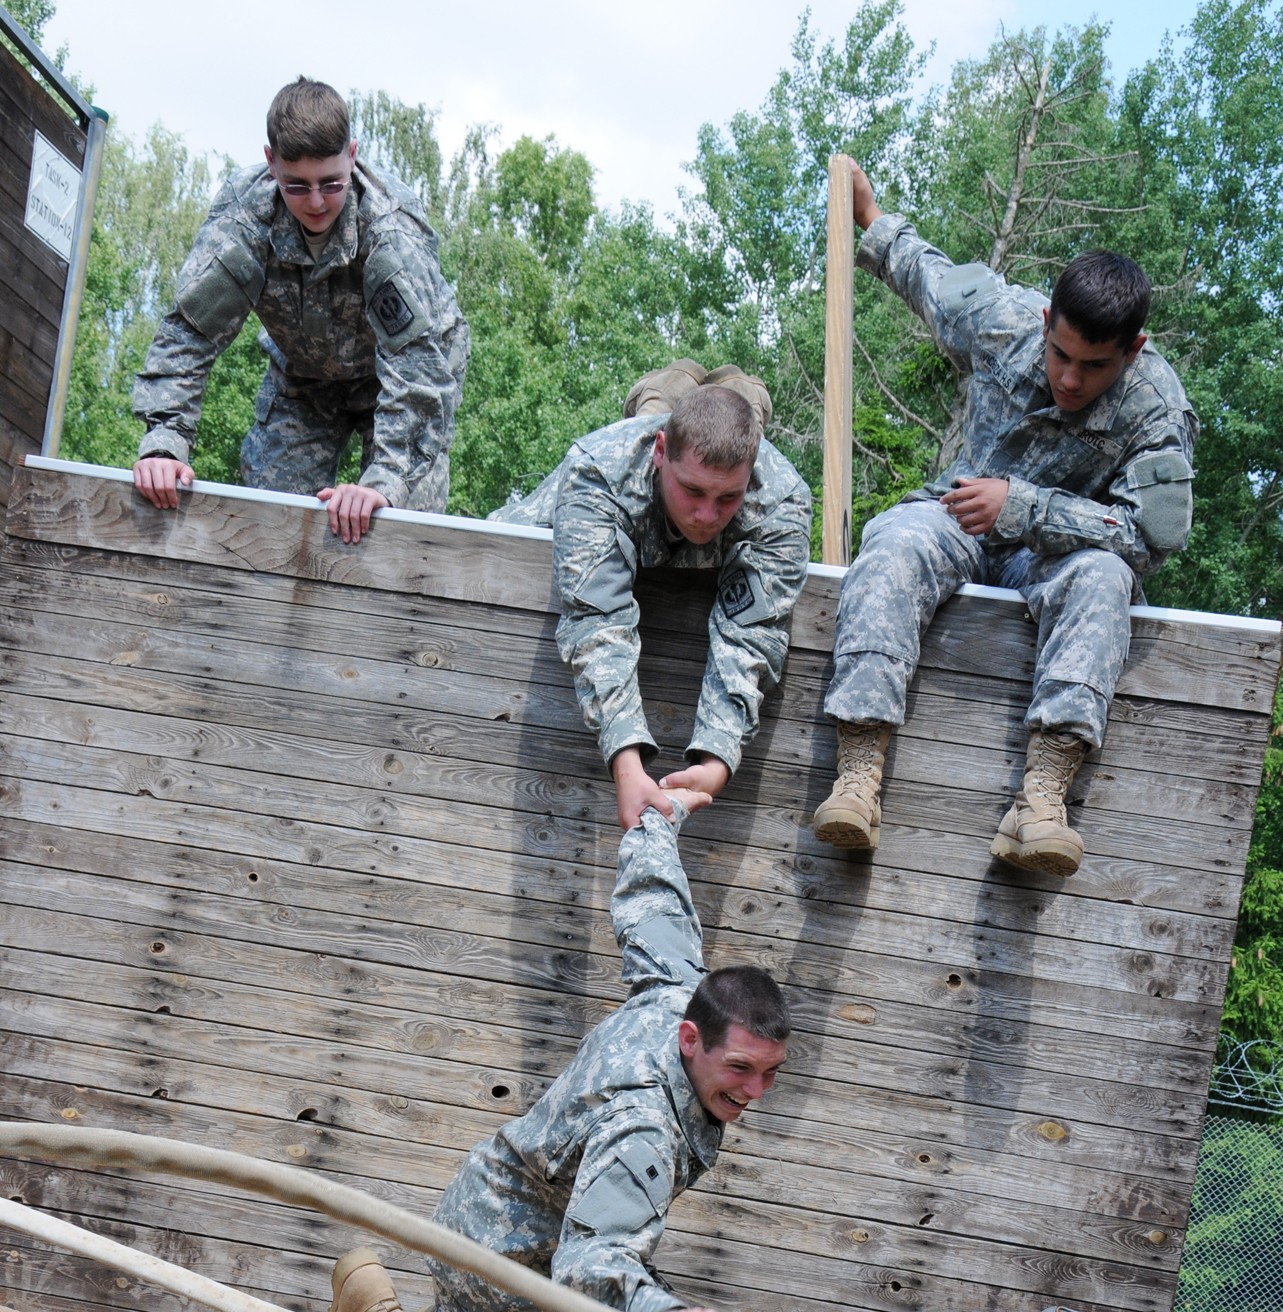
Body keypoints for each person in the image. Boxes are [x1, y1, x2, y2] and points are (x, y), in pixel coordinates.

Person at [324, 793, 791, 1312]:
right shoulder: (642, 1128)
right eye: (741, 1070)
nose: (752, 1092)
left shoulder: (677, 993)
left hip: (560, 1239)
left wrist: (661, 818)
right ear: (691, 1039)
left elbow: (653, 902)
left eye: (770, 1073)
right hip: (502, 1256)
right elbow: (588, 1264)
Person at [812, 164, 1197, 876]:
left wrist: (1021, 507)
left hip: (1050, 553)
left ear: (1132, 352)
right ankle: (857, 776)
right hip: (956, 515)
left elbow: (1148, 537)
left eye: (1094, 365)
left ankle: (1041, 801)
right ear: (1045, 321)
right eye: (1059, 354)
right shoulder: (1000, 319)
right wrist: (870, 217)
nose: (1069, 379)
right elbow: (922, 274)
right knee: (892, 541)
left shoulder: (1156, 407)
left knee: (1104, 578)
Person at [131, 77, 469, 544]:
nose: (315, 202)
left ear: (352, 155)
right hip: (306, 376)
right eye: (297, 185)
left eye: (331, 183)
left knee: (397, 532)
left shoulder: (391, 231)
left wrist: (384, 482)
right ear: (271, 163)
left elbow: (416, 369)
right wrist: (164, 443)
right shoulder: (244, 220)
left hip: (408, 375)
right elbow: (191, 333)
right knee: (269, 525)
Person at [494, 364, 812, 830]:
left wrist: (718, 757)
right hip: (596, 505)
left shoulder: (780, 501)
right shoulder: (600, 470)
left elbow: (752, 637)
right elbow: (596, 623)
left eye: (728, 498)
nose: (707, 515)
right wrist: (626, 764)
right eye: (693, 490)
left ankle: (732, 392)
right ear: (661, 452)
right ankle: (663, 390)